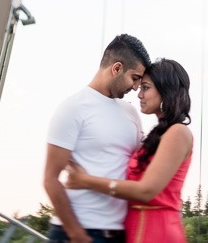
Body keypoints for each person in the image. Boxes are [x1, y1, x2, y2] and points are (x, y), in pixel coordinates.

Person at [66, 58, 193, 243]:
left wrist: (85, 181)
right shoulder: (157, 136)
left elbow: (146, 191)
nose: (139, 94)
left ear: (166, 91)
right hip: (132, 230)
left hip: (158, 233)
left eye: (146, 88)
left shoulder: (178, 133)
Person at [43, 34, 151, 243]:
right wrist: (77, 235)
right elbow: (50, 179)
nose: (137, 87)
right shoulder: (72, 108)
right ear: (117, 68)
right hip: (77, 233)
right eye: (135, 78)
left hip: (119, 233)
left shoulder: (131, 113)